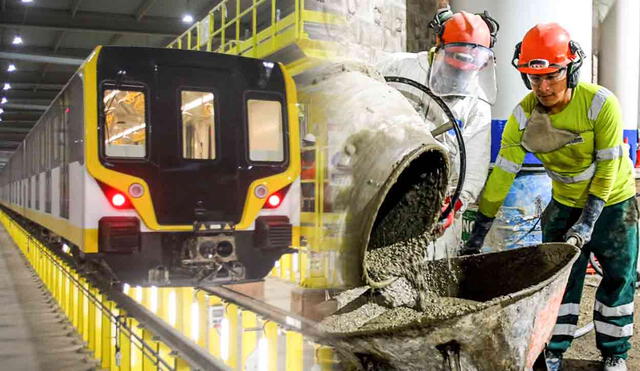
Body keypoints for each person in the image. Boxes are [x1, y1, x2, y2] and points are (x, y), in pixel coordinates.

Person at [463, 23, 637, 371]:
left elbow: (606, 169)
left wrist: (589, 220)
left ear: (570, 70)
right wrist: (478, 232)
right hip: (563, 206)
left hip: (614, 204)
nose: (542, 87)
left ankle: (614, 353)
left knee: (618, 279)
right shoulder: (524, 116)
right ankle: (553, 349)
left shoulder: (600, 104)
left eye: (551, 76)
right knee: (559, 282)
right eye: (532, 78)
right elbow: (502, 176)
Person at [376, 5, 499, 258]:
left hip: (436, 201)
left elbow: (473, 165)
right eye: (454, 61)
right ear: (438, 44)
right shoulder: (396, 68)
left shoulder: (477, 103)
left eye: (469, 66)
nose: (460, 72)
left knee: (430, 269)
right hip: (381, 188)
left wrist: (456, 203)